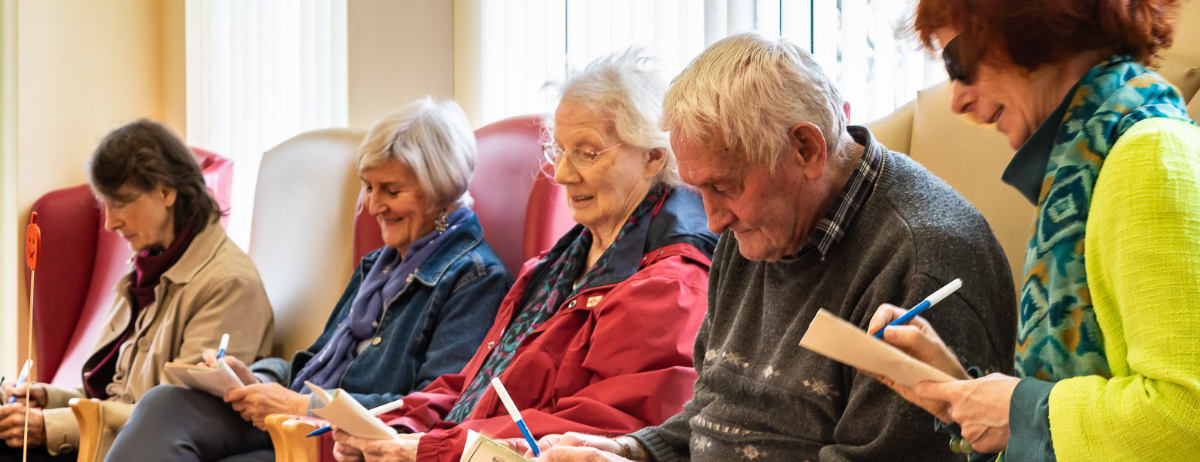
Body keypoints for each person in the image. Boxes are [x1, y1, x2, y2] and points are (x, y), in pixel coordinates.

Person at [536, 33, 1018, 461]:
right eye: (698, 189)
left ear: (806, 149)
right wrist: (634, 449)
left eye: (724, 187)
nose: (712, 219)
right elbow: (714, 418)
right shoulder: (756, 227)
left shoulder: (922, 259)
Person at [328, 50, 717, 462]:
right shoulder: (553, 267)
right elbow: (474, 386)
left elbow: (597, 430)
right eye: (561, 151)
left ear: (653, 156)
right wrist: (397, 427)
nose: (564, 174)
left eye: (587, 152)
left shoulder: (669, 282)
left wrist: (431, 448)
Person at [864, 0, 1200, 460]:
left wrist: (1020, 411)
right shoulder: (1083, 165)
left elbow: (1187, 418)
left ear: (1029, 21)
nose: (956, 99)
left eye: (958, 63)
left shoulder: (1149, 157)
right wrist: (957, 391)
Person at [104, 98, 513, 461]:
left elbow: (437, 406)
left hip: (341, 441)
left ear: (440, 189)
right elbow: (313, 363)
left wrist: (300, 407)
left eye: (391, 190)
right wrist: (257, 378)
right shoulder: (378, 266)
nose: (374, 206)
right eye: (368, 188)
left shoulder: (474, 277)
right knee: (165, 404)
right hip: (295, 423)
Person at [0, 120, 275, 461]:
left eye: (120, 204)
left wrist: (50, 426)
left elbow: (168, 422)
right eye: (105, 206)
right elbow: (114, 395)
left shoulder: (228, 285)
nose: (109, 223)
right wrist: (46, 399)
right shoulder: (145, 270)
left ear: (166, 191)